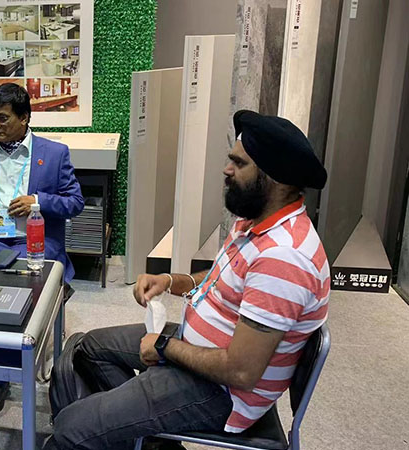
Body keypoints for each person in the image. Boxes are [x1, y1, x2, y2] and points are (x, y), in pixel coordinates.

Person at [45, 110, 330, 450]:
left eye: (239, 164)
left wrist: (163, 347)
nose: (227, 169)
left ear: (277, 180)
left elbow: (240, 372)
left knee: (69, 429)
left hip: (221, 392)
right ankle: (144, 436)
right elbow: (225, 278)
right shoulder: (256, 220)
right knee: (90, 349)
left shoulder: (284, 258)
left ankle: (125, 427)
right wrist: (170, 281)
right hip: (198, 350)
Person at [0, 82, 84, 421]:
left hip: (32, 239)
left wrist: (37, 202)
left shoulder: (54, 153)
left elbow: (75, 203)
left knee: (5, 279)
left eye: (3, 118)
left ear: (25, 117)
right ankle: (41, 278)